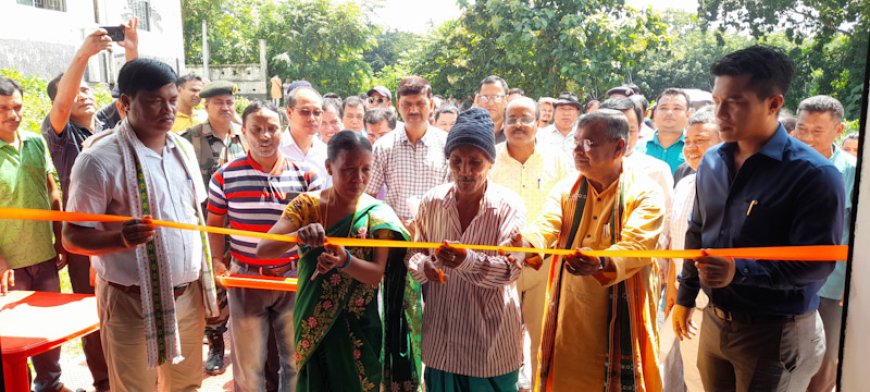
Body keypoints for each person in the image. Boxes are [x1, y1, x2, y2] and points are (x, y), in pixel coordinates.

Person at [672, 46, 844, 392]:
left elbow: (817, 264)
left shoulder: (813, 174)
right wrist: (685, 296)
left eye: (735, 101)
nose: (720, 112)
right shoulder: (712, 162)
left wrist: (739, 269)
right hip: (715, 321)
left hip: (776, 331)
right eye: (717, 100)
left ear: (774, 104)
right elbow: (698, 230)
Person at [63, 58, 220, 391]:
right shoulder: (97, 160)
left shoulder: (182, 149)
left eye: (172, 100)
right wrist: (120, 238)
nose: (167, 110)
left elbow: (194, 218)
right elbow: (72, 237)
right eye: (154, 101)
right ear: (125, 103)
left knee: (186, 385)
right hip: (129, 300)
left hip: (187, 295)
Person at [258, 130, 422, 391]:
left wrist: (345, 260)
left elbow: (376, 274)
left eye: (366, 169)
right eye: (348, 169)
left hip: (359, 325)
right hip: (313, 320)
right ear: (329, 167)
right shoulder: (306, 207)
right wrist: (297, 236)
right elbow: (263, 250)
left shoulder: (378, 214)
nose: (358, 178)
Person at [521, 109, 665, 391]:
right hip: (571, 314)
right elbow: (546, 226)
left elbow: (637, 245)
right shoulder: (566, 190)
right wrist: (524, 244)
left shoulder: (645, 192)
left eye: (589, 143)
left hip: (624, 313)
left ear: (619, 147)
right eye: (576, 142)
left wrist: (601, 262)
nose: (577, 150)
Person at [40, 21, 139, 392]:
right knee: (94, 312)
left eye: (87, 88)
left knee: (128, 304)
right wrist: (83, 54)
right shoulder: (60, 134)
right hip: (85, 236)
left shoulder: (110, 124)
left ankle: (132, 377)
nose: (83, 94)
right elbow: (62, 103)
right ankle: (104, 383)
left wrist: (131, 50)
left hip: (122, 231)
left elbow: (136, 98)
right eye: (75, 89)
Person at [407, 108, 526, 391]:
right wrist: (426, 267)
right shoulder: (432, 202)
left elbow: (510, 270)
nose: (465, 171)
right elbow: (412, 254)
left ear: (490, 163)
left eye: (475, 162)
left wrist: (466, 261)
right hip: (442, 341)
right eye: (456, 161)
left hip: (490, 343)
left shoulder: (508, 206)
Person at [207, 100, 322, 391]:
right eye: (256, 129)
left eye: (272, 128)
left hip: (293, 277)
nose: (265, 136)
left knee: (296, 362)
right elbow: (215, 225)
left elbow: (319, 223)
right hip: (245, 279)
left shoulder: (307, 175)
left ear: (282, 130)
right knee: (249, 367)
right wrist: (217, 261)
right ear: (243, 132)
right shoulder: (224, 176)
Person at [488, 97, 573, 391]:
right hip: (500, 266)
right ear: (504, 123)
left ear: (539, 122)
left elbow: (569, 207)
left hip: (544, 264)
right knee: (498, 340)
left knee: (544, 338)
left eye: (526, 118)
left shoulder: (558, 160)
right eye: (512, 119)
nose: (519, 125)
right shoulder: (491, 159)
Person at [0, 77, 72, 392]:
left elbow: (52, 190)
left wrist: (60, 237)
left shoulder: (34, 142)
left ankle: (51, 384)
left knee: (47, 328)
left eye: (16, 107)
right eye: (3, 109)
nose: (12, 115)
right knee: (14, 336)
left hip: (43, 253)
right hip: (8, 263)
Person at [793, 95, 856, 392]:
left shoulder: (853, 172)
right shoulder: (781, 164)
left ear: (838, 130)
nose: (807, 138)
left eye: (817, 131)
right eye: (802, 129)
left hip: (831, 284)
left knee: (825, 360)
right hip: (783, 279)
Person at [659, 108, 721, 392]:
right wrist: (672, 288)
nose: (692, 148)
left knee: (702, 374)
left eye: (701, 140)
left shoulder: (727, 187)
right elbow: (676, 239)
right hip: (681, 292)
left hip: (708, 298)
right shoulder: (684, 182)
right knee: (676, 364)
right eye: (688, 141)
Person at [365, 76, 449, 229]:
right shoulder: (383, 146)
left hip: (435, 234)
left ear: (431, 105)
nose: (414, 110)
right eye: (407, 104)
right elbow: (368, 196)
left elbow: (454, 197)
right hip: (393, 233)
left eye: (420, 103)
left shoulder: (446, 144)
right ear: (398, 106)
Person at [280, 86, 330, 187]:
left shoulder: (328, 154)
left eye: (317, 113)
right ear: (289, 113)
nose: (311, 118)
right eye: (305, 112)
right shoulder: (273, 150)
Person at [639, 88, 689, 174]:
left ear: (688, 115)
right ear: (655, 113)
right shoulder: (638, 147)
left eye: (677, 108)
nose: (669, 112)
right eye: (663, 108)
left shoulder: (695, 149)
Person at [538, 92, 581, 157]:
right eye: (562, 109)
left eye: (570, 109)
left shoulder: (584, 137)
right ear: (554, 111)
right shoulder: (540, 135)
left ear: (577, 113)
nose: (566, 113)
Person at [472, 75, 509, 143]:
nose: (490, 103)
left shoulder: (514, 132)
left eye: (497, 97)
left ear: (506, 99)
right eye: (485, 97)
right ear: (477, 99)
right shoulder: (468, 133)